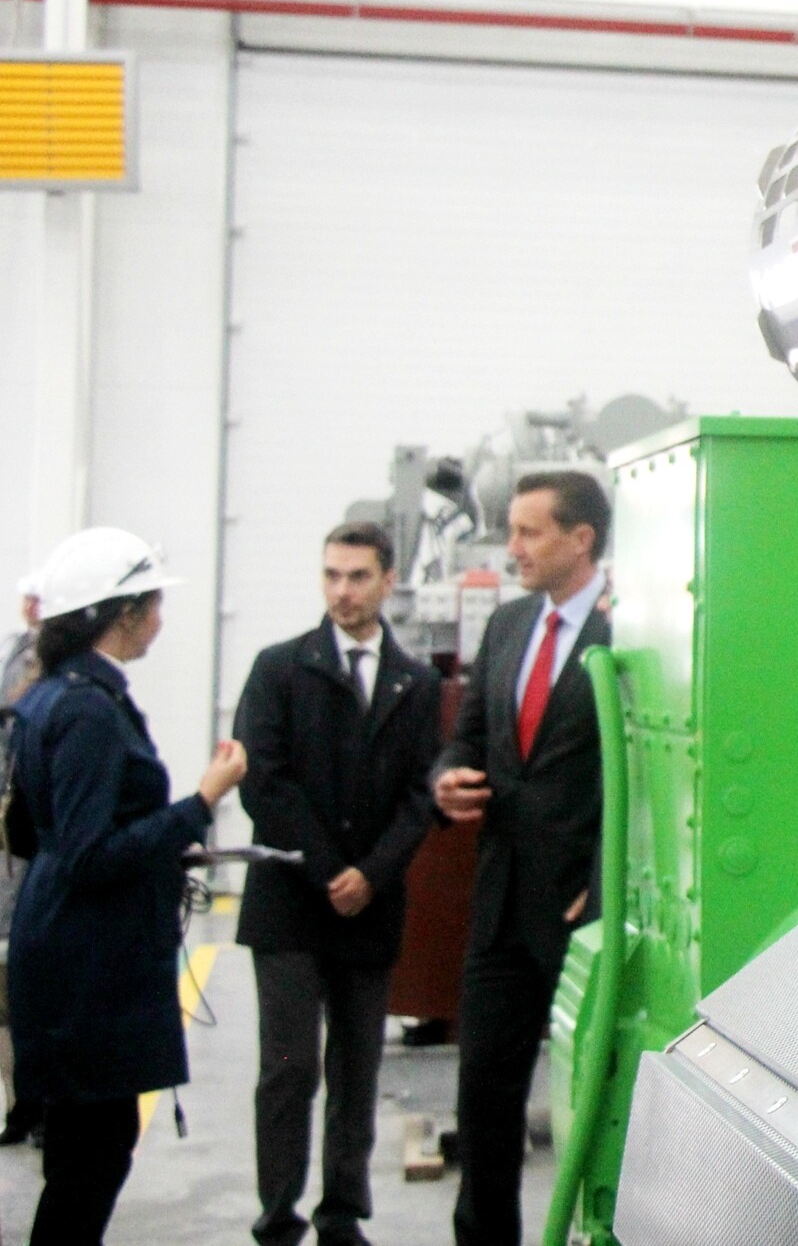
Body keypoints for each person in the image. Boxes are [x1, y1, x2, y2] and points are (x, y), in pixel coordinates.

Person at [9, 527, 248, 1246]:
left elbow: (36, 832)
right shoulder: (87, 710)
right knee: (92, 1156)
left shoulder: (53, 695)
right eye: (153, 604)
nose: (159, 619)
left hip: (65, 944)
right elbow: (88, 853)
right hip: (88, 963)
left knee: (82, 1153)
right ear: (123, 614)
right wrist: (200, 803)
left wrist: (160, 843)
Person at [236, 522, 443, 1246]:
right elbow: (263, 783)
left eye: (357, 577)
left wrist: (373, 874)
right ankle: (277, 1215)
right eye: (332, 575)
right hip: (290, 902)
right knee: (289, 1067)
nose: (342, 591)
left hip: (370, 906)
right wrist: (331, 871)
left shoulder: (416, 684)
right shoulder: (279, 669)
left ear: (388, 581)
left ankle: (342, 1213)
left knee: (356, 1068)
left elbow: (421, 795)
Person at [433, 472, 612, 1246]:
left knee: (592, 1099)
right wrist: (449, 776)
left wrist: (601, 886)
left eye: (528, 532)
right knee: (483, 1100)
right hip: (501, 902)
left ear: (581, 538)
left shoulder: (627, 631)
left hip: (581, 909)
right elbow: (470, 734)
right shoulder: (509, 625)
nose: (513, 548)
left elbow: (643, 774)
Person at [0, 573, 46, 1148]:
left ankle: (37, 1106)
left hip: (33, 849)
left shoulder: (55, 667)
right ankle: (21, 1105)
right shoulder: (16, 651)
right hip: (9, 848)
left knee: (28, 982)